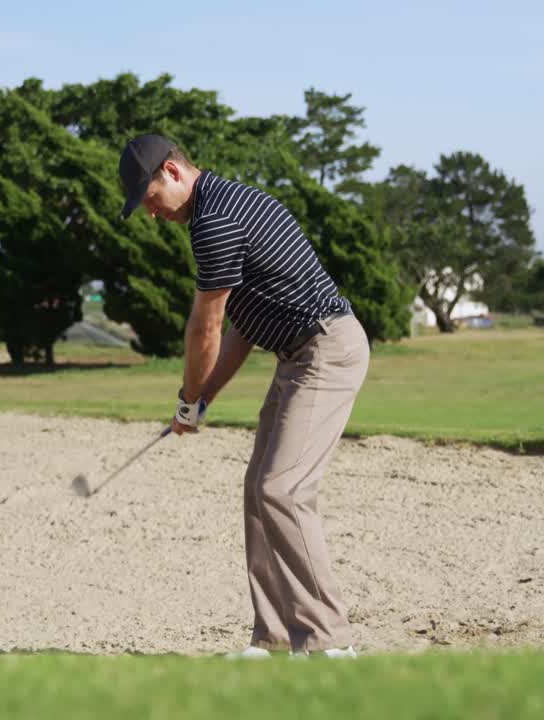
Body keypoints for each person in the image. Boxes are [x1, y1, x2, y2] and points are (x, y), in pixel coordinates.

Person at [118, 134, 371, 658]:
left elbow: (204, 329)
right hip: (299, 354)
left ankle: (330, 643)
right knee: (259, 489)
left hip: (326, 348)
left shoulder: (215, 219)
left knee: (283, 490)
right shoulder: (221, 205)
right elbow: (240, 331)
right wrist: (202, 399)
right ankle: (274, 638)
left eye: (149, 198)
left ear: (171, 171)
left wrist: (188, 398)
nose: (150, 214)